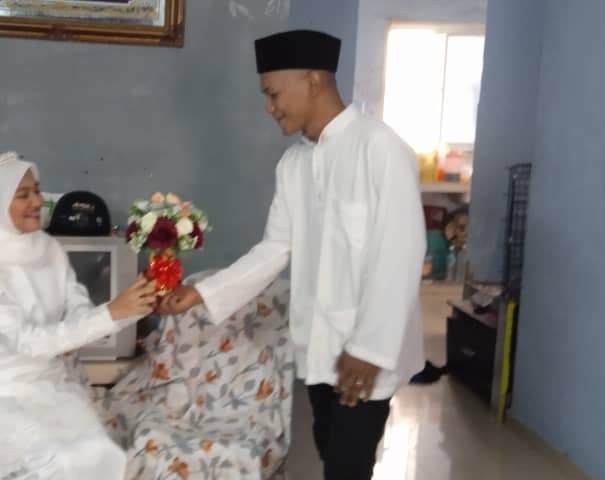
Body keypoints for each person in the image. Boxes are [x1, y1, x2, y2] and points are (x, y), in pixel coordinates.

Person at [160, 30, 426, 480]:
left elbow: (400, 254)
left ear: (313, 80)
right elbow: (274, 248)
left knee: (347, 465)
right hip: (319, 344)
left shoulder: (380, 149)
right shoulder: (294, 164)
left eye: (273, 93)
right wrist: (202, 293)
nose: (269, 107)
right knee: (330, 449)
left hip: (368, 350)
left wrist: (369, 348)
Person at [0, 151, 156, 479]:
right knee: (55, 461)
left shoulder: (48, 248)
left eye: (36, 190)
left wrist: (136, 304)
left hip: (48, 386)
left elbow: (79, 309)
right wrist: (112, 313)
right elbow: (27, 342)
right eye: (23, 195)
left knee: (102, 455)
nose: (37, 201)